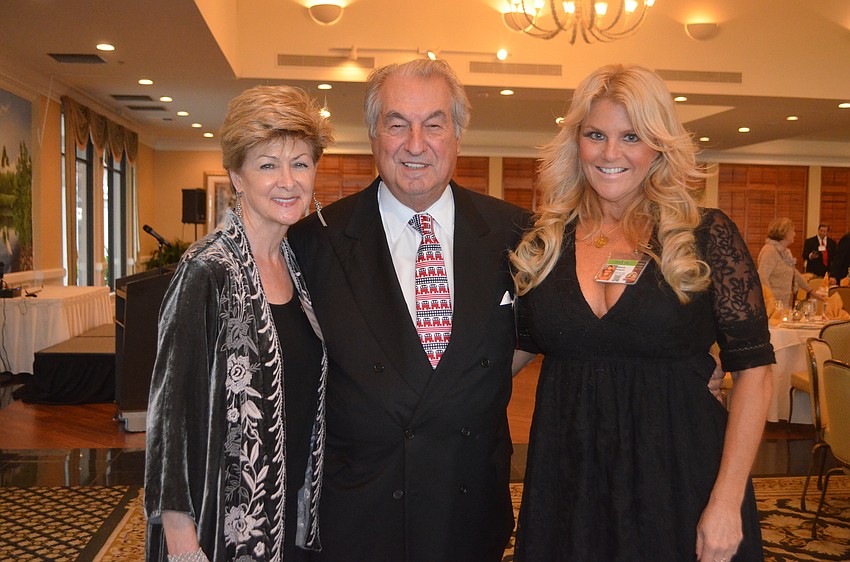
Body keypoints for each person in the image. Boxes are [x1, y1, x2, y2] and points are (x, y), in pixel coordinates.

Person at [510, 64, 774, 561]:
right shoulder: (544, 241)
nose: (611, 153)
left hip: (679, 474)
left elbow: (756, 374)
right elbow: (514, 347)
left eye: (631, 136)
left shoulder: (706, 234)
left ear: (658, 145)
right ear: (577, 143)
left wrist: (726, 501)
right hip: (570, 481)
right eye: (595, 135)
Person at [287, 59, 529, 561]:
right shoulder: (315, 241)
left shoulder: (516, 235)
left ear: (457, 135)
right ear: (373, 135)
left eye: (434, 124)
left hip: (469, 504)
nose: (415, 144)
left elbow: (557, 329)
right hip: (358, 509)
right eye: (397, 124)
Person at [144, 85, 333, 562]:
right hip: (216, 531)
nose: (288, 181)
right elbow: (170, 425)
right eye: (268, 165)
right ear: (237, 176)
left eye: (301, 163)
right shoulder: (206, 271)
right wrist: (185, 549)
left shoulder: (300, 264)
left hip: (292, 522)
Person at [758, 217, 823, 308]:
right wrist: (770, 300)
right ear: (784, 232)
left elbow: (794, 273)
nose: (794, 234)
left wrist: (811, 291)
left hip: (785, 301)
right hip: (772, 304)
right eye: (792, 231)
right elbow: (762, 277)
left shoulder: (786, 252)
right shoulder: (769, 251)